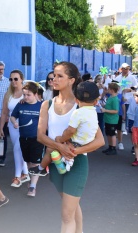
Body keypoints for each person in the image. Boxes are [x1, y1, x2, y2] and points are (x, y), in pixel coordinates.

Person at [37, 62, 104, 232]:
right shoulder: (47, 104)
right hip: (55, 162)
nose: (54, 79)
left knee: (67, 215)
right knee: (71, 208)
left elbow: (99, 141)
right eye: (54, 75)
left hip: (77, 162)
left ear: (71, 80)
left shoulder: (82, 105)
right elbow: (40, 136)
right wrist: (60, 146)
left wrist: (74, 151)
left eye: (60, 76)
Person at [30, 81, 100, 177]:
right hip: (87, 142)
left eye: (60, 76)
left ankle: (42, 168)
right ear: (96, 101)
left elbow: (70, 131)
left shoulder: (77, 112)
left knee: (50, 149)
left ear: (76, 100)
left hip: (76, 143)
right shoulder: (93, 112)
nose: (55, 79)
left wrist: (61, 139)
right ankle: (65, 163)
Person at [10, 82, 43, 197]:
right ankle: (31, 180)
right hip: (23, 138)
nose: (25, 97)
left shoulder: (42, 106)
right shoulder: (21, 104)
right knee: (29, 162)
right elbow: (13, 116)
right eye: (24, 95)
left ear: (35, 94)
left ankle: (33, 187)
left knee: (35, 162)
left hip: (37, 139)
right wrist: (14, 122)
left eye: (28, 95)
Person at [0, 70, 29, 188]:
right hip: (12, 126)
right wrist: (1, 128)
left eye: (16, 79)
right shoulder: (8, 94)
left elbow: (36, 105)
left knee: (18, 149)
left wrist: (26, 99)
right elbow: (4, 112)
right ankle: (25, 173)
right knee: (19, 150)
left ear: (21, 79)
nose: (13, 81)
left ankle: (17, 176)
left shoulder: (27, 93)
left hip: (25, 126)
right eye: (11, 79)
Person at [101, 82, 120, 155]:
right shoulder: (111, 97)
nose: (108, 90)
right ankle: (110, 147)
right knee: (108, 133)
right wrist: (104, 105)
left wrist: (105, 110)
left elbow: (116, 111)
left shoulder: (115, 99)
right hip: (108, 119)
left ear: (112, 90)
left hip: (112, 120)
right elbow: (108, 106)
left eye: (109, 89)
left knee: (112, 134)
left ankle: (113, 148)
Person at [131, 92, 138, 166]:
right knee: (136, 143)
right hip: (136, 126)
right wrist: (133, 125)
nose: (135, 99)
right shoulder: (136, 106)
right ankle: (136, 159)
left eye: (135, 97)